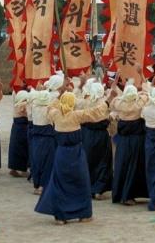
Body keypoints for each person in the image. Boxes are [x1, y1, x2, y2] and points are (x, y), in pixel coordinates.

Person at [35, 91, 109, 224]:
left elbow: (50, 107)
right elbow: (95, 112)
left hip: (61, 155)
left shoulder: (55, 115)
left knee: (61, 184)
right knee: (81, 183)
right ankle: (83, 214)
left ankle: (61, 216)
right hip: (76, 154)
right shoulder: (76, 115)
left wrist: (59, 96)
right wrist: (107, 102)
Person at [110, 84, 149, 205]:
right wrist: (140, 93)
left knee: (122, 166)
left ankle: (121, 194)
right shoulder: (138, 104)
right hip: (136, 140)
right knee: (134, 167)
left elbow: (114, 101)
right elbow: (147, 95)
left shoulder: (119, 104)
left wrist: (122, 96)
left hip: (123, 140)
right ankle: (128, 195)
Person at [79, 82, 113, 200]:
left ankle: (88, 187)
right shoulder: (103, 104)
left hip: (87, 135)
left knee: (89, 161)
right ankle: (98, 189)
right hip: (100, 135)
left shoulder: (84, 102)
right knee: (102, 162)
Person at [30, 89, 57, 195]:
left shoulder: (34, 107)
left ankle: (37, 185)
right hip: (48, 139)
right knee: (47, 163)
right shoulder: (49, 109)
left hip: (36, 139)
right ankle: (43, 186)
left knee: (36, 162)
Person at [8, 90, 30, 177]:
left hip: (17, 128)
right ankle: (22, 169)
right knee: (22, 148)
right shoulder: (21, 105)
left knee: (15, 148)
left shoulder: (16, 104)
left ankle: (14, 168)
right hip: (22, 128)